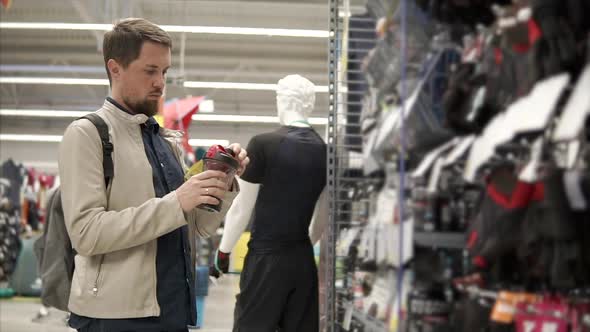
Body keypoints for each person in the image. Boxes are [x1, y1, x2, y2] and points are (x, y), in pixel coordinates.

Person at [58, 18, 249, 332]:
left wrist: (222, 180)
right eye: (150, 71)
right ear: (115, 68)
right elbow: (86, 233)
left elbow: (199, 226)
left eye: (164, 72)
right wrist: (176, 203)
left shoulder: (165, 142)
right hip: (116, 316)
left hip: (172, 308)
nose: (161, 82)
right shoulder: (88, 134)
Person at [212, 74, 329, 332]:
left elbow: (242, 207)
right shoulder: (325, 151)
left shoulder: (263, 145)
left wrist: (223, 251)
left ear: (282, 101)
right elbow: (324, 214)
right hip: (302, 258)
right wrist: (304, 243)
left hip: (266, 259)